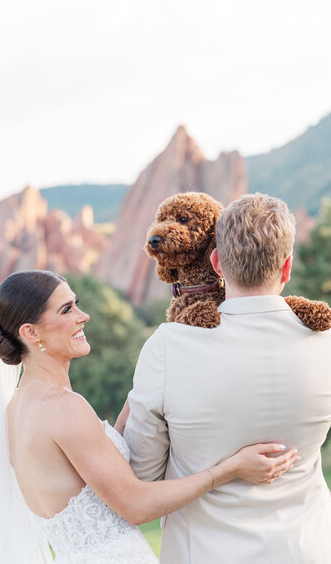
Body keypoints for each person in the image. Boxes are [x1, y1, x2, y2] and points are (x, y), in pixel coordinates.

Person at [0, 269, 297, 564]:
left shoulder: (17, 408)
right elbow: (136, 505)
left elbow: (89, 467)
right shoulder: (63, 406)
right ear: (30, 332)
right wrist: (229, 469)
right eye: (66, 310)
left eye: (76, 304)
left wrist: (144, 396)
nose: (83, 316)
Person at [124, 192, 331, 564]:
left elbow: (141, 475)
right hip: (310, 550)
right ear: (286, 268)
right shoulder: (325, 342)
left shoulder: (168, 347)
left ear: (217, 262)